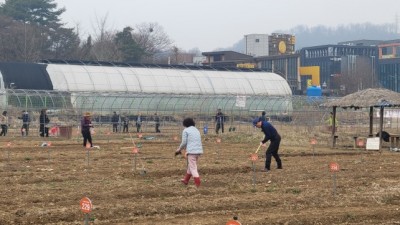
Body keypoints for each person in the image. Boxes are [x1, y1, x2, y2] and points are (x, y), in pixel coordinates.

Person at [175, 118, 203, 187]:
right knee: (190, 166)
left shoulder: (186, 130)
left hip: (191, 151)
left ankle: (198, 183)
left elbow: (184, 142)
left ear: (185, 124)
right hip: (198, 151)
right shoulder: (196, 130)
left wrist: (178, 150)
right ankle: (186, 180)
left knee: (193, 168)